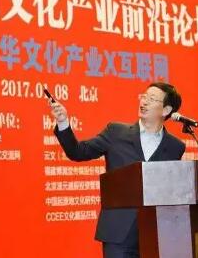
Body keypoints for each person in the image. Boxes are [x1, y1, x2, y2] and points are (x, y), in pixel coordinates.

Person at [49, 82, 186, 258]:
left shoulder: (175, 146)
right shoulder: (116, 132)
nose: (144, 102)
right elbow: (78, 152)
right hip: (118, 233)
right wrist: (63, 122)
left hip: (156, 234)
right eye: (144, 97)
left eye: (151, 99)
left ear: (166, 110)